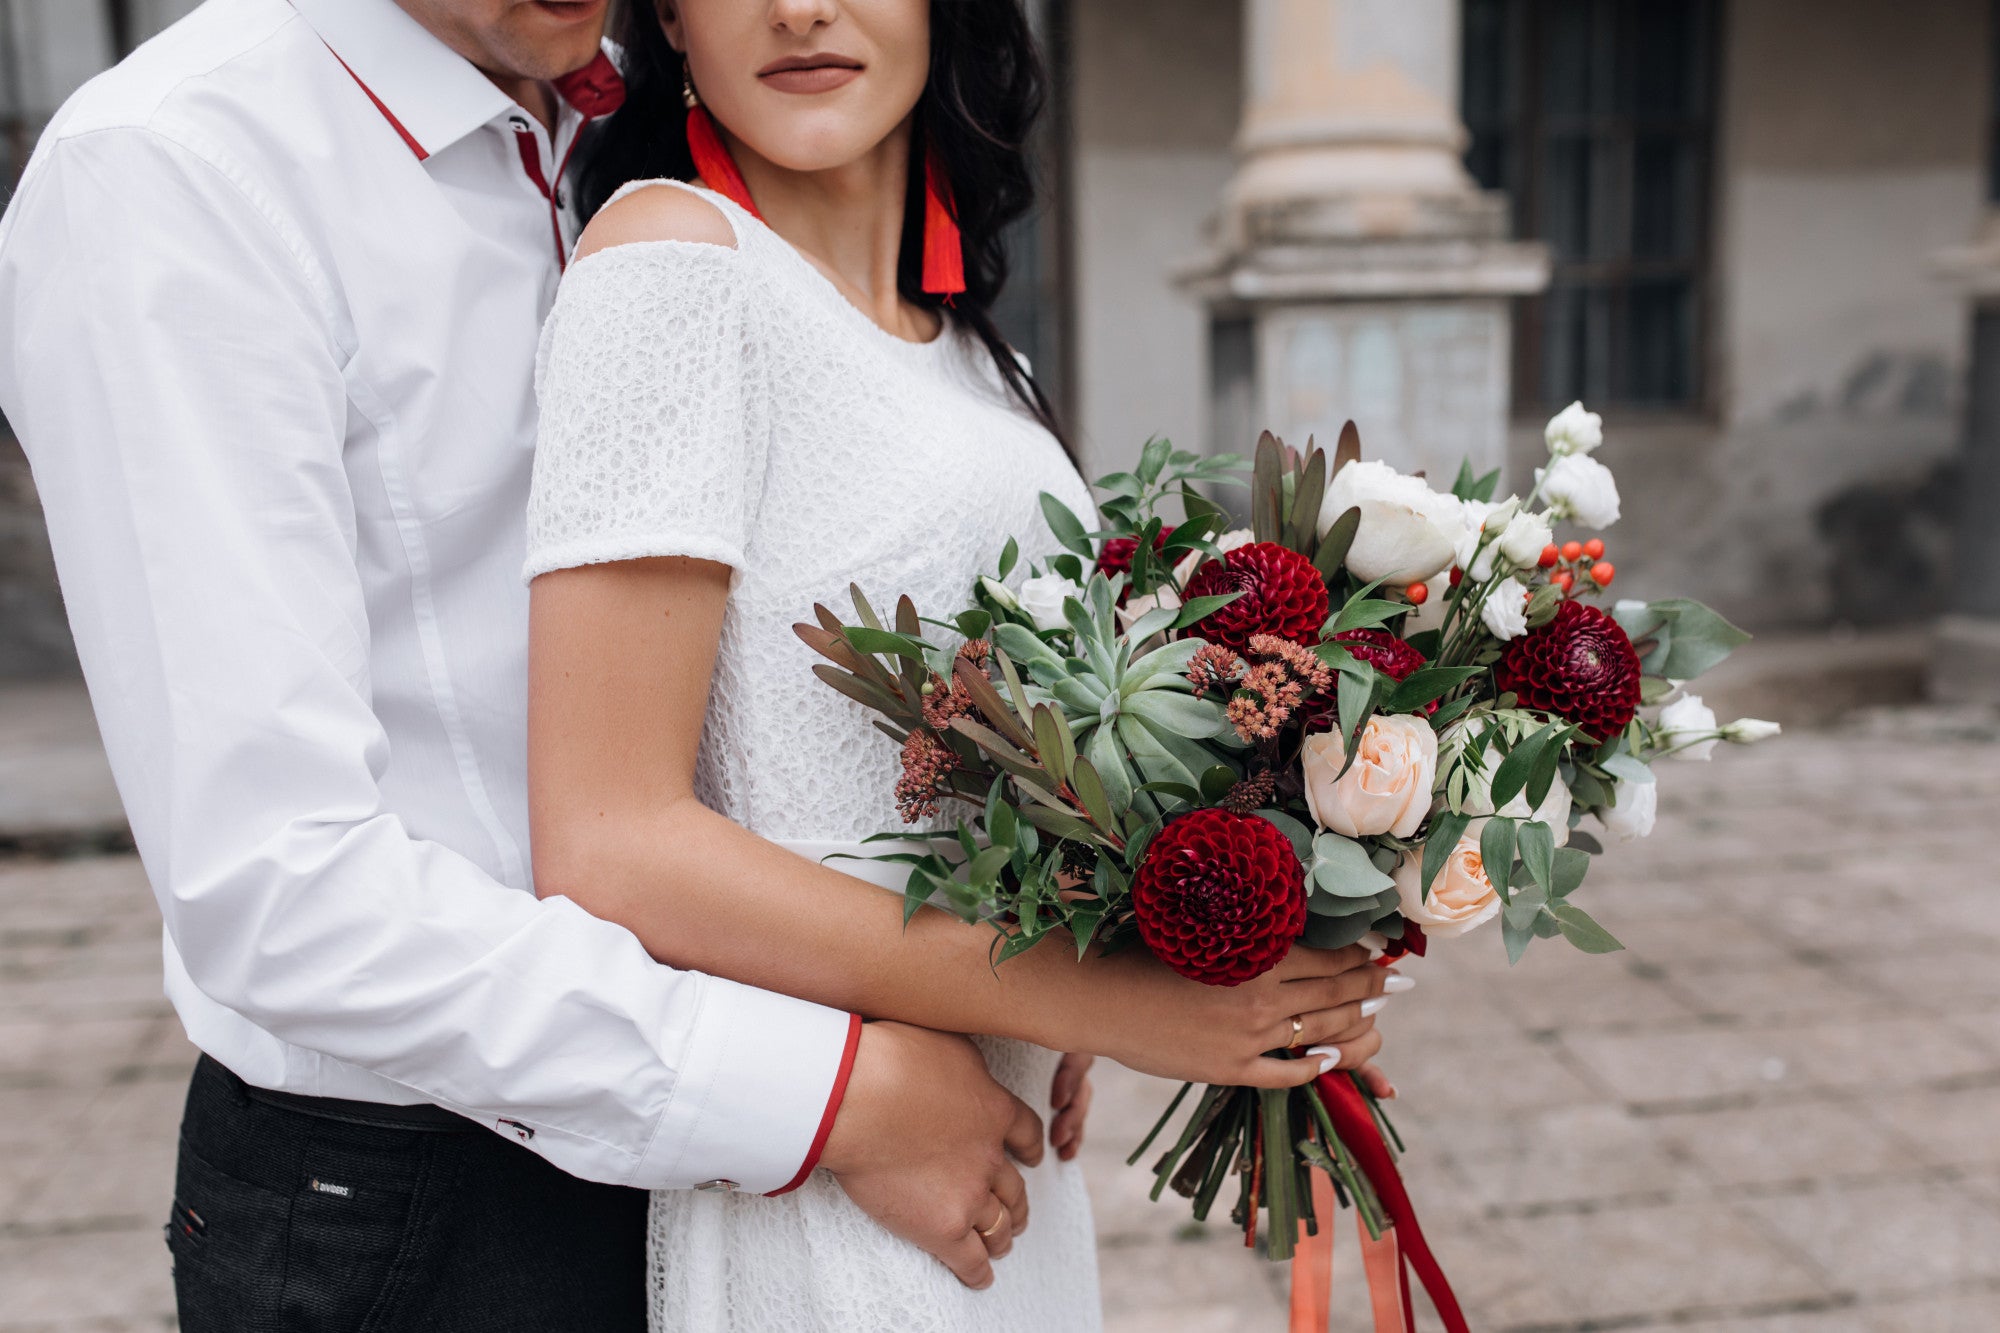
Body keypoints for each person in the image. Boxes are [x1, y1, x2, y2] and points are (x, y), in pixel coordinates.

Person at [0, 0, 1070, 1325]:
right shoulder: (178, 169)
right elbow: (276, 883)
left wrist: (1025, 929)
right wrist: (826, 1091)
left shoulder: (660, 105)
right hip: (427, 1194)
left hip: (759, 1150)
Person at [522, 1, 1399, 1327]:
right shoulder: (669, 266)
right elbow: (609, 840)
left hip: (994, 1171)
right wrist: (1113, 995)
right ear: (667, 21)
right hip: (828, 1181)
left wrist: (1162, 940)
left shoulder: (982, 357)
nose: (799, 6)